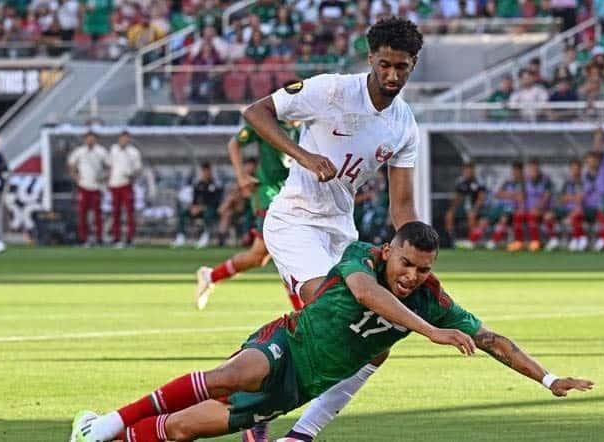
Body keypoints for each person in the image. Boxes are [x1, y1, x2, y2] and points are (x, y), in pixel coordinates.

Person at [71, 222, 594, 442]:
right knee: (233, 373)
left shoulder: (433, 300)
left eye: (423, 269)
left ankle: (98, 435)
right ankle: (112, 421)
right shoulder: (360, 256)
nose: (413, 276)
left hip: (303, 386)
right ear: (390, 251)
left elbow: (492, 340)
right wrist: (429, 333)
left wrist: (547, 379)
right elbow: (369, 294)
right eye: (407, 263)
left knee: (184, 429)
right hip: (288, 342)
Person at [233, 16, 425, 441]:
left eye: (402, 67)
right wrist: (303, 155)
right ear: (371, 58)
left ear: (413, 65)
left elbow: (403, 207)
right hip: (295, 221)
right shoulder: (332, 90)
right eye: (385, 65)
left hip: (342, 233)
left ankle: (298, 433)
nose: (392, 75)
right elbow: (256, 113)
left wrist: (416, 259)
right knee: (335, 316)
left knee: (377, 338)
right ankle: (256, 394)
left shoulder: (404, 124)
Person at [194, 118, 301, 310]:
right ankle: (303, 312)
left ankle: (210, 276)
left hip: (293, 194)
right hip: (269, 194)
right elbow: (235, 143)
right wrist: (241, 176)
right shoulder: (268, 119)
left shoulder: (306, 126)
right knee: (288, 251)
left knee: (258, 256)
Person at [67, 132, 108, 247]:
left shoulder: (101, 151)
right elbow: (71, 164)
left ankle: (99, 238)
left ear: (96, 140)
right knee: (82, 214)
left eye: (92, 139)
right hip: (83, 186)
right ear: (85, 140)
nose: (90, 141)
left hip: (96, 187)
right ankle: (83, 238)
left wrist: (104, 177)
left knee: (97, 214)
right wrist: (75, 176)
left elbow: (109, 166)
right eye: (88, 139)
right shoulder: (80, 151)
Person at [173, 162, 222, 249]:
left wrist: (202, 207)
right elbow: (195, 200)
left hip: (211, 209)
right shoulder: (198, 184)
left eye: (207, 171)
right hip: (199, 209)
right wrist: (193, 207)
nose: (205, 173)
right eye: (203, 171)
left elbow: (216, 202)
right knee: (183, 213)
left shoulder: (215, 184)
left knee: (208, 214)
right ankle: (181, 237)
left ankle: (205, 236)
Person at [107, 131, 142, 248]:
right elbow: (110, 166)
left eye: (126, 139)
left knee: (129, 213)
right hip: (114, 184)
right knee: (115, 213)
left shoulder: (133, 152)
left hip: (127, 184)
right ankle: (116, 238)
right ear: (119, 139)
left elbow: (138, 168)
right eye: (122, 139)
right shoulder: (113, 149)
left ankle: (130, 238)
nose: (124, 141)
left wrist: (131, 175)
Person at [560, 156, 602, 252]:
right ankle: (555, 240)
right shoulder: (567, 183)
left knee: (577, 214)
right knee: (551, 214)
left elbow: (581, 198)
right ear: (570, 169)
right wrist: (572, 198)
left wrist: (571, 199)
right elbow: (562, 198)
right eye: (573, 168)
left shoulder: (584, 181)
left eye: (577, 168)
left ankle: (579, 239)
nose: (575, 171)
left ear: (581, 169)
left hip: (588, 209)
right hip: (571, 209)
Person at [516, 158, 556, 252]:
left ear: (538, 168)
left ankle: (535, 242)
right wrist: (521, 207)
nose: (533, 170)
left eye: (535, 168)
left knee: (533, 215)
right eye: (531, 168)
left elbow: (546, 197)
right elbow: (521, 196)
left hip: (542, 209)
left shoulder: (546, 181)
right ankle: (518, 242)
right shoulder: (525, 181)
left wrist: (538, 207)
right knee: (518, 215)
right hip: (528, 209)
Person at [444, 162, 486, 246]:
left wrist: (474, 209)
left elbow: (481, 199)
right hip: (463, 208)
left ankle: (472, 240)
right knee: (449, 215)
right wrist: (453, 208)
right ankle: (452, 239)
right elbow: (457, 198)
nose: (468, 172)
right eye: (466, 170)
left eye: (470, 170)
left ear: (473, 171)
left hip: (477, 208)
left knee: (471, 215)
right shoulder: (461, 182)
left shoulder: (479, 182)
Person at [492, 160, 525, 250]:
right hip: (504, 208)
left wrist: (511, 196)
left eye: (518, 171)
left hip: (517, 209)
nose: (515, 173)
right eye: (514, 171)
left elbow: (522, 198)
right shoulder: (508, 182)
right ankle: (495, 242)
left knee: (505, 219)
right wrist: (512, 195)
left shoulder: (524, 183)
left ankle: (498, 242)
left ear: (521, 172)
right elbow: (497, 194)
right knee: (486, 219)